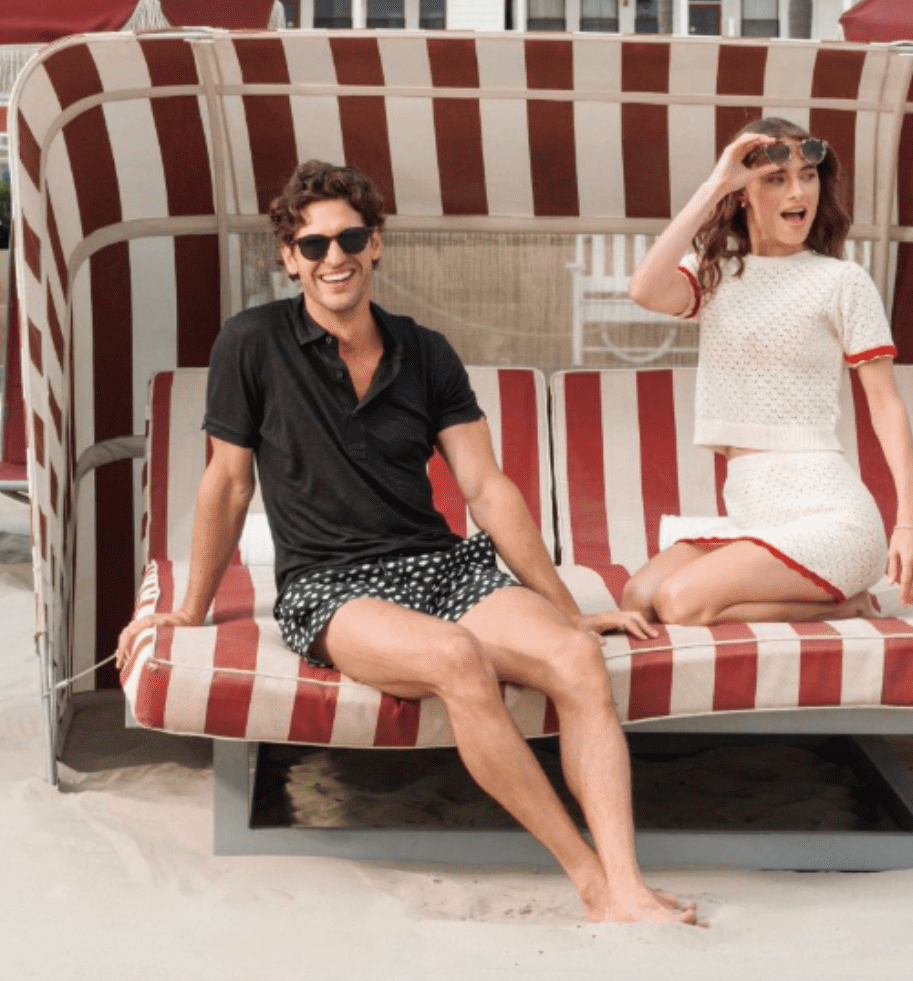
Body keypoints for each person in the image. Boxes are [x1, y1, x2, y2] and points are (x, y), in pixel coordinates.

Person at [115, 158, 694, 928]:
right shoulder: (252, 344)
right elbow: (226, 484)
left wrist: (565, 610)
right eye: (313, 245)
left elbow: (488, 490)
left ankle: (627, 882)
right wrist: (189, 611)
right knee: (457, 660)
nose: (334, 257)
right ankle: (590, 881)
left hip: (439, 565)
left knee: (577, 659)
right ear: (289, 258)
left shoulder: (425, 352)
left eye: (350, 238)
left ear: (377, 243)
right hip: (331, 586)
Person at [623, 117, 913, 627]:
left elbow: (886, 404)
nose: (799, 192)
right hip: (756, 515)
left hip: (831, 517)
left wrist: (911, 523)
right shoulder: (717, 272)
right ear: (745, 193)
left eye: (808, 176)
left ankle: (843, 602)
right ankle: (836, 603)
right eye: (777, 178)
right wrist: (716, 183)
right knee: (640, 596)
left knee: (679, 603)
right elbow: (644, 289)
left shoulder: (841, 281)